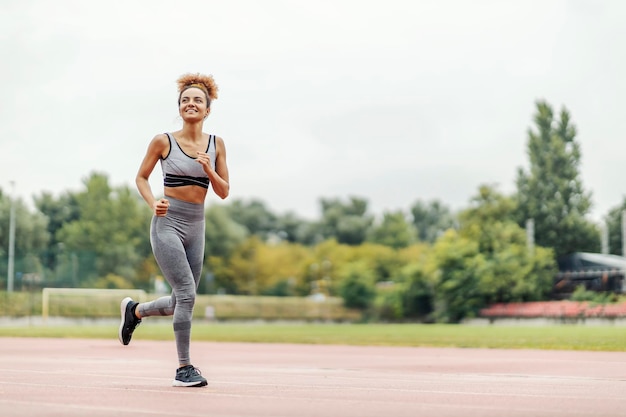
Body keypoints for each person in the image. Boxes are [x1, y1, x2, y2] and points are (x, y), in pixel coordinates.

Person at [118, 72, 230, 387]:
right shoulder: (163, 141)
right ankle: (184, 368)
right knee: (186, 294)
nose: (190, 104)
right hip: (168, 224)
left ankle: (135, 311)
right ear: (179, 107)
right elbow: (141, 177)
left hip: (197, 225)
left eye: (197, 100)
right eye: (185, 100)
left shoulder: (216, 144)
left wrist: (208, 168)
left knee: (181, 299)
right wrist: (153, 202)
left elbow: (223, 191)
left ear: (208, 109)